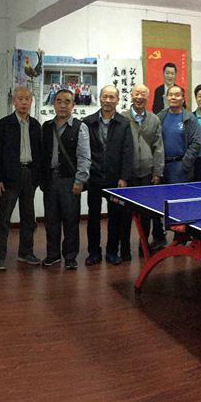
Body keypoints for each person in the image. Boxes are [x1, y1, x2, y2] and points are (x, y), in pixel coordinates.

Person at [0, 86, 44, 270]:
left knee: (28, 217)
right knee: (4, 219)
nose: (24, 102)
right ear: (14, 101)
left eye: (27, 99)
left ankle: (25, 252)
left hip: (29, 174)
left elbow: (40, 153)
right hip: (9, 177)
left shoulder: (36, 125)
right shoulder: (4, 124)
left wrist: (37, 177)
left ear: (31, 102)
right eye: (20, 99)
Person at [84, 85, 134, 266]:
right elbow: (83, 151)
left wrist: (124, 177)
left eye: (112, 97)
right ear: (99, 98)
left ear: (117, 100)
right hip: (94, 178)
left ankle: (112, 251)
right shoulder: (88, 122)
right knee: (93, 217)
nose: (108, 100)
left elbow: (128, 152)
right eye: (105, 96)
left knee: (115, 217)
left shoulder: (123, 123)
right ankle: (94, 252)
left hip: (115, 181)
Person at [41, 88, 91, 270]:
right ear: (54, 104)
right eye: (59, 101)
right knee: (51, 220)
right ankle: (53, 255)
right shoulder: (46, 127)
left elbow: (84, 157)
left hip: (70, 181)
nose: (63, 105)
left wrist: (80, 181)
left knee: (71, 220)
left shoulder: (80, 127)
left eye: (67, 101)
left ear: (73, 105)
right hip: (50, 180)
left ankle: (70, 256)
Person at [119, 84, 165, 257]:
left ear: (148, 97)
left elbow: (158, 147)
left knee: (145, 215)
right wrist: (121, 175)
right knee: (124, 215)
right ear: (131, 95)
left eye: (143, 94)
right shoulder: (122, 118)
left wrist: (157, 172)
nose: (139, 97)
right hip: (127, 174)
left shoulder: (154, 119)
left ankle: (143, 248)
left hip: (147, 173)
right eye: (136, 93)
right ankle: (124, 250)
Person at [159, 85, 201, 184]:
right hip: (162, 167)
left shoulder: (189, 118)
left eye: (177, 95)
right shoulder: (160, 117)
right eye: (170, 95)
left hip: (181, 166)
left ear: (183, 99)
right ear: (166, 98)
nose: (173, 97)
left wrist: (185, 164)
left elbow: (196, 143)